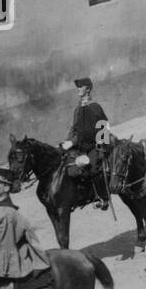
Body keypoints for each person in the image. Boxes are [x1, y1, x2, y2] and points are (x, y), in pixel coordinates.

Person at [61, 76, 110, 209]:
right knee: (69, 167)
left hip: (94, 146)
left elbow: (104, 125)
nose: (78, 89)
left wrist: (101, 147)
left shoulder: (95, 107)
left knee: (94, 169)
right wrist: (67, 142)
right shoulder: (77, 109)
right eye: (77, 87)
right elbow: (74, 129)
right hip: (80, 146)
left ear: (88, 89)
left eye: (80, 87)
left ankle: (103, 197)